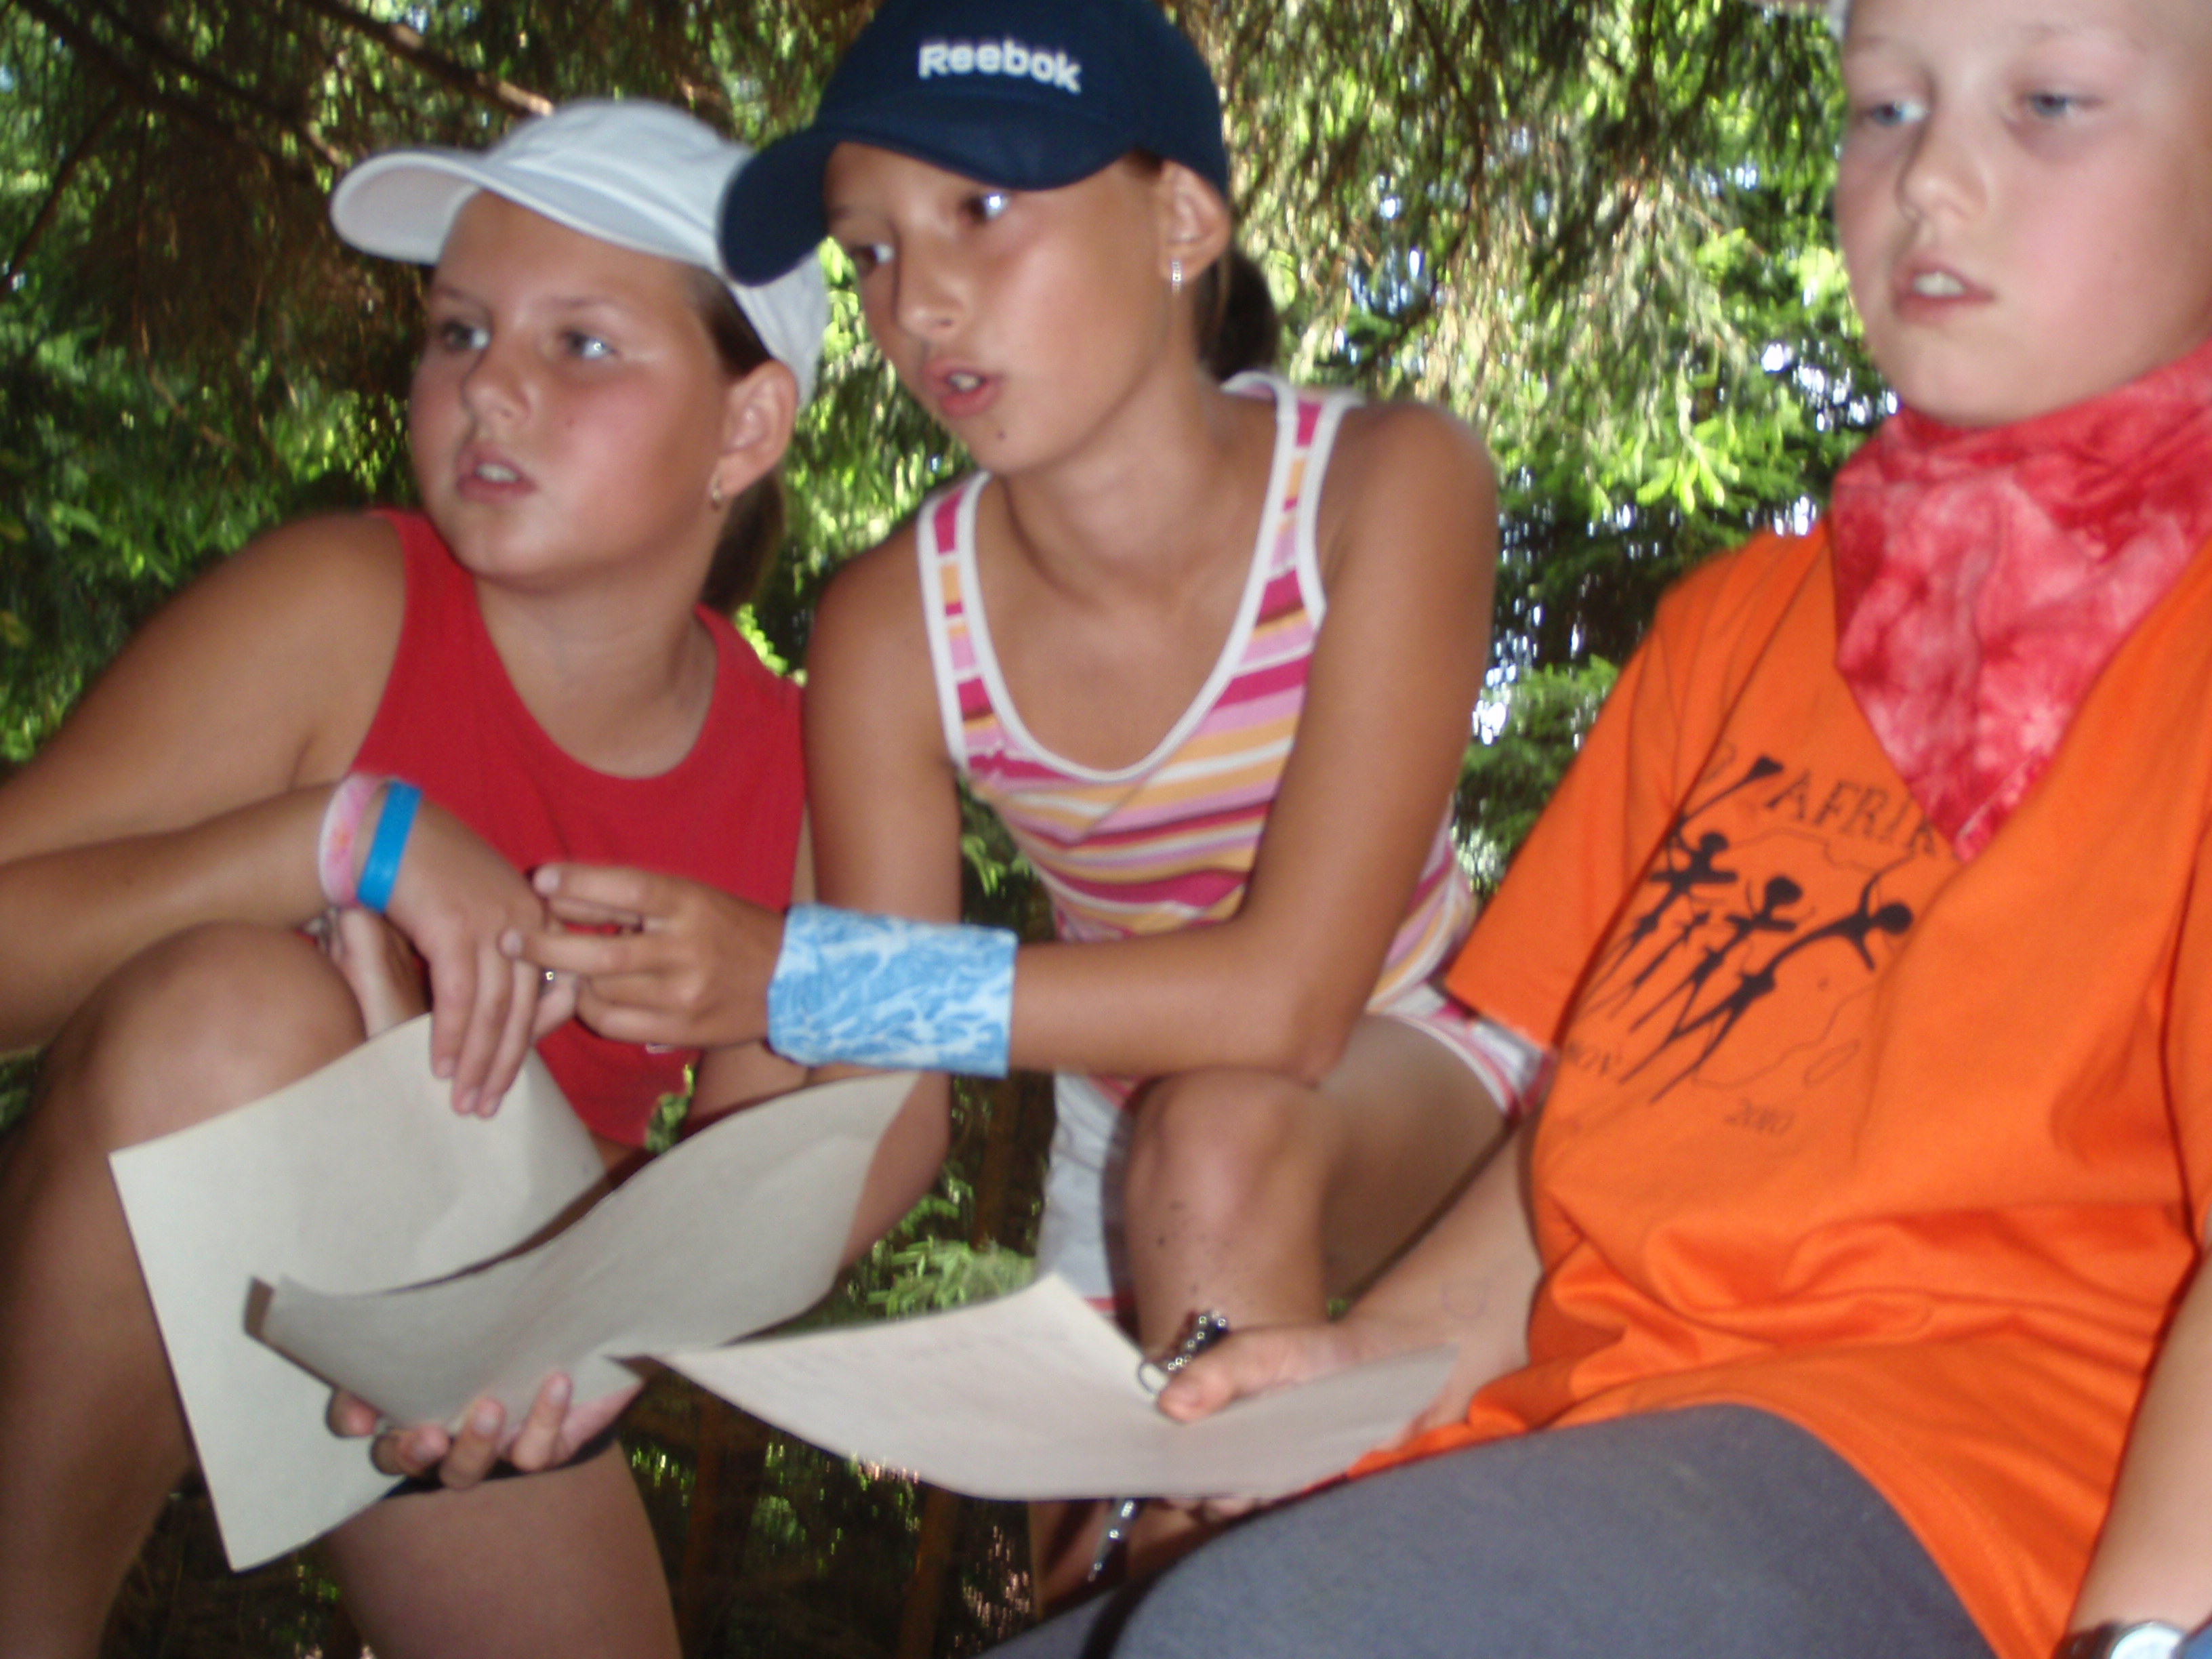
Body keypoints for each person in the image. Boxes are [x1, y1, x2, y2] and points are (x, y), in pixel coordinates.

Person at [954, 0, 2212, 1654]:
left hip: (1963, 1495)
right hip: (1597, 1434)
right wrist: (1373, 1359)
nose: (1928, 180)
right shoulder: (1742, 625)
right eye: (1885, 108)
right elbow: (1589, 1153)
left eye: (2048, 101)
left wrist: (2140, 1642)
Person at [513, 0, 1530, 1595]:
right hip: (1122, 1146)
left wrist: (801, 972)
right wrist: (583, 1329)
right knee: (1107, 1595)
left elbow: (1289, 1004)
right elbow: (876, 1103)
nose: (917, 301)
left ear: (1182, 221)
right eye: (870, 249)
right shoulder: (893, 626)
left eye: (982, 207)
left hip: (1427, 1069)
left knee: (1222, 1140)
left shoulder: (1382, 489)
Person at [0, 100, 841, 1659]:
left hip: (491, 1323)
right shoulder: (342, 605)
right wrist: (339, 840)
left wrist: (568, 1315)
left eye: (580, 343)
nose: (487, 386)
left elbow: (763, 1182)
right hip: (148, 1217)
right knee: (234, 1007)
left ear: (746, 429)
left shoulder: (804, 770)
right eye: (458, 330)